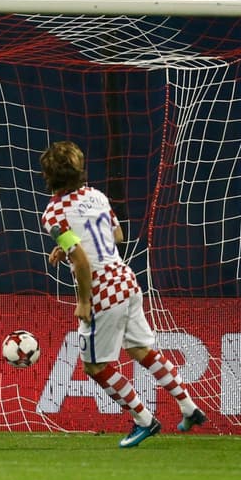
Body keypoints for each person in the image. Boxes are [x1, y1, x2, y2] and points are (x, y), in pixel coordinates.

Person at [40, 140, 206, 448]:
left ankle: (143, 420)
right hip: (126, 279)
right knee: (141, 350)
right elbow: (116, 235)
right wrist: (68, 247)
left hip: (102, 290)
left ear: (49, 177)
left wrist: (84, 301)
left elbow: (82, 260)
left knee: (95, 366)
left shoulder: (53, 214)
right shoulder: (97, 196)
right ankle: (188, 407)